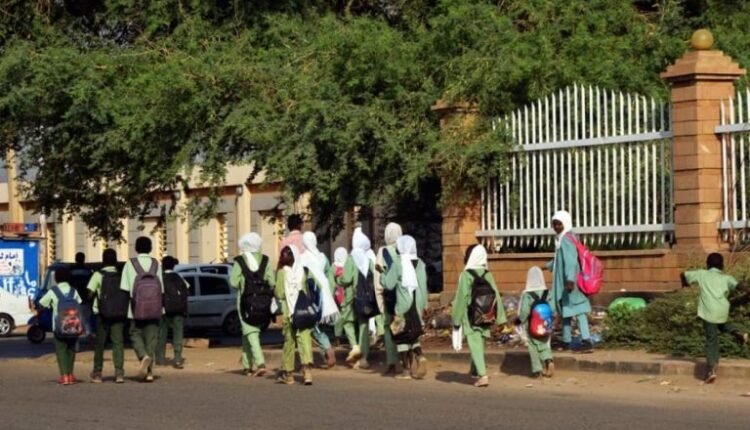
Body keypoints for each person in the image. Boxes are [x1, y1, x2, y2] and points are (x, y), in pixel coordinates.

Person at [681, 253, 749, 383]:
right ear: (722, 266)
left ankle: (711, 369)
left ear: (707, 264)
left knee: (711, 339)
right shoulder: (727, 278)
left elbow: (683, 274)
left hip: (708, 310)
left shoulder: (702, 274)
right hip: (722, 309)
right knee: (720, 323)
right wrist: (748, 290)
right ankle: (737, 333)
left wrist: (685, 284)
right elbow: (739, 286)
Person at [451, 244, 507, 388]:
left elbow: (461, 299)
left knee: (474, 343)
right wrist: (501, 318)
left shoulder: (466, 275)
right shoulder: (488, 274)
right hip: (486, 315)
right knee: (479, 344)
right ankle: (475, 371)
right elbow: (496, 296)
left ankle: (482, 375)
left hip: (471, 316)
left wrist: (456, 319)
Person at [382, 235, 428, 380]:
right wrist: (424, 305)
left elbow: (388, 284)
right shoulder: (420, 264)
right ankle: (420, 356)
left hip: (402, 306)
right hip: (417, 304)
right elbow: (423, 286)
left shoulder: (398, 263)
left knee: (401, 337)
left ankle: (406, 371)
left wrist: (383, 273)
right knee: (413, 333)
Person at [230, 232, 275, 377]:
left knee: (251, 332)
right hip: (263, 301)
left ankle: (260, 363)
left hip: (245, 301)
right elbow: (272, 281)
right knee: (248, 332)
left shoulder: (240, 261)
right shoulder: (265, 260)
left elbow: (233, 282)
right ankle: (246, 365)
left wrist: (244, 282)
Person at [547, 210, 593, 353]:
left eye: (559, 224)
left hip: (570, 282)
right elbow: (561, 259)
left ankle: (586, 340)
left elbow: (571, 261)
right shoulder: (565, 237)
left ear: (565, 223)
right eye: (554, 224)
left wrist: (570, 280)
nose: (556, 227)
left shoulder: (566, 239)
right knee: (566, 310)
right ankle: (566, 340)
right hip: (567, 281)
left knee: (579, 309)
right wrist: (550, 265)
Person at [121, 236, 164, 382]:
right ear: (150, 248)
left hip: (135, 308)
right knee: (151, 339)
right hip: (155, 308)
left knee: (134, 333)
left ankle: (142, 355)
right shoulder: (156, 264)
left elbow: (125, 288)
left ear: (136, 248)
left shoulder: (130, 264)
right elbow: (161, 289)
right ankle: (150, 372)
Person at [336, 227, 378, 370]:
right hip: (366, 299)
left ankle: (355, 347)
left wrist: (338, 279)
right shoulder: (368, 259)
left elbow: (346, 278)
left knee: (347, 322)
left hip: (351, 298)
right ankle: (364, 358)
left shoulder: (351, 258)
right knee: (363, 326)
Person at [275, 245, 314, 385]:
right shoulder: (304, 271)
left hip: (288, 313)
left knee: (289, 343)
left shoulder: (281, 273)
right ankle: (307, 372)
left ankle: (289, 374)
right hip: (303, 311)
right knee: (305, 341)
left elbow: (280, 293)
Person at [300, 231, 339, 369]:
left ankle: (327, 350)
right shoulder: (323, 257)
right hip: (325, 294)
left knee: (311, 326)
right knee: (319, 326)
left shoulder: (302, 258)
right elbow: (329, 277)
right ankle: (326, 354)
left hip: (312, 295)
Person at [87, 248, 127, 383]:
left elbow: (90, 293)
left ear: (103, 260)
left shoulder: (98, 275)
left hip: (102, 314)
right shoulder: (121, 275)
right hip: (119, 313)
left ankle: (97, 372)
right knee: (118, 342)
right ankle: (119, 373)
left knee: (100, 343)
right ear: (116, 260)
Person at [40, 267, 82, 385]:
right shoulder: (74, 291)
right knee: (71, 350)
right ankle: (70, 374)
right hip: (73, 326)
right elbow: (79, 303)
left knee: (61, 350)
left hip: (59, 327)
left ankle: (64, 376)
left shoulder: (53, 291)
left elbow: (42, 303)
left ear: (56, 278)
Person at [518, 266, 554, 379]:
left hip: (531, 325)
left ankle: (537, 370)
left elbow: (524, 311)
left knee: (533, 346)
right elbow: (552, 309)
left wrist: (519, 321)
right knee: (543, 342)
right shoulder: (548, 293)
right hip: (546, 323)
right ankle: (548, 359)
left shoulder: (527, 295)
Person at [375, 222, 402, 374]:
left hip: (389, 297)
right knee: (403, 325)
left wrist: (380, 302)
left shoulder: (383, 252)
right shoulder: (405, 248)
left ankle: (392, 361)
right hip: (404, 296)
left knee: (388, 327)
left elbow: (378, 279)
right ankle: (407, 360)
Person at [156, 256, 190, 369]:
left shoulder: (160, 277)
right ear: (173, 266)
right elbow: (187, 288)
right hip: (179, 310)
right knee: (178, 334)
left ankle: (160, 359)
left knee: (162, 335)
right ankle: (177, 358)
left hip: (164, 310)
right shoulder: (178, 276)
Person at [330, 247, 354, 349]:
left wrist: (331, 296)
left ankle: (337, 337)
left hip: (338, 294)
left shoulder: (333, 267)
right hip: (348, 294)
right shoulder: (349, 265)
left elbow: (331, 283)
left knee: (338, 317)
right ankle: (352, 340)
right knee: (349, 316)